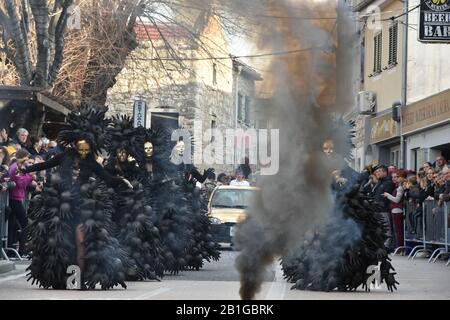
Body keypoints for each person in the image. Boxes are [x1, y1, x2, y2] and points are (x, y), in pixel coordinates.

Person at [281, 120, 398, 292]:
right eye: (325, 149)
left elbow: (353, 180)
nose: (328, 152)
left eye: (331, 149)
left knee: (346, 243)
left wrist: (344, 179)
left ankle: (341, 276)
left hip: (340, 210)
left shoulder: (342, 165)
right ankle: (313, 275)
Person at [24, 105, 131, 290]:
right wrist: (23, 169)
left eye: (86, 149)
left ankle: (79, 280)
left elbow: (108, 178)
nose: (83, 153)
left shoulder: (91, 161)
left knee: (81, 241)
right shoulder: (65, 156)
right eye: (80, 148)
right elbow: (44, 165)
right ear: (75, 144)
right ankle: (64, 277)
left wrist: (122, 181)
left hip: (81, 206)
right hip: (60, 204)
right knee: (61, 243)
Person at [7, 149, 39, 257]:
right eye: (26, 158)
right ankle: (21, 250)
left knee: (12, 225)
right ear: (22, 157)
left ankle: (11, 250)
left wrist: (28, 177)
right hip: (14, 198)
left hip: (16, 198)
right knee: (25, 224)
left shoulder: (18, 167)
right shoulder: (15, 167)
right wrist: (30, 176)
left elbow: (22, 182)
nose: (27, 160)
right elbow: (20, 183)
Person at [383, 170, 406, 248]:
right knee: (397, 230)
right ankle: (399, 247)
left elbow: (397, 200)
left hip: (398, 210)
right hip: (395, 210)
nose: (395, 179)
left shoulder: (400, 188)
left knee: (398, 230)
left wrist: (388, 195)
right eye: (393, 177)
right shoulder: (398, 187)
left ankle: (400, 248)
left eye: (397, 177)